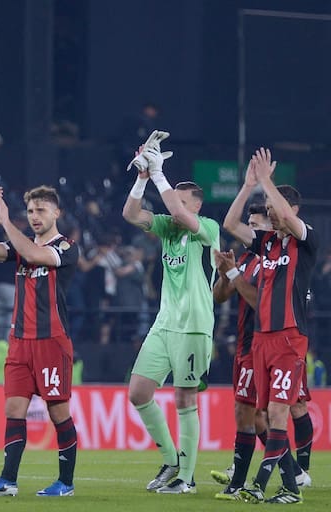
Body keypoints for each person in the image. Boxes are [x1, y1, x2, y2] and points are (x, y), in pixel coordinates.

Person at [122, 131, 219, 494]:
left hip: (193, 325)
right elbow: (130, 213)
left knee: (184, 398)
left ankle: (187, 478)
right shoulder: (166, 230)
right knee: (139, 392)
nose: (171, 205)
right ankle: (170, 460)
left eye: (179, 200)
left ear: (195, 205)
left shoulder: (206, 229)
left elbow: (176, 210)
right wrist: (143, 177)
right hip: (164, 325)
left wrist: (160, 172)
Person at [222, 148, 318, 504]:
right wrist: (248, 186)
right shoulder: (266, 245)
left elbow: (289, 221)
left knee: (280, 410)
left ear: (291, 210)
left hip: (290, 338)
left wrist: (266, 181)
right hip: (261, 339)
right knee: (264, 413)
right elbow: (231, 225)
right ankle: (291, 487)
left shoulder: (306, 242)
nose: (269, 215)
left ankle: (261, 483)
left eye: (274, 208)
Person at [0, 184, 80, 497]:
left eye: (41, 210)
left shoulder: (66, 247)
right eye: (31, 211)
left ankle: (66, 482)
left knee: (58, 412)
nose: (34, 216)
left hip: (51, 341)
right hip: (20, 340)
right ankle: (8, 479)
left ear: (56, 213)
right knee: (14, 409)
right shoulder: (19, 246)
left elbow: (35, 254)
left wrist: (8, 222)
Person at [210, 202, 310, 499]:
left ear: (270, 228)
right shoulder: (246, 260)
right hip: (247, 345)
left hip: (273, 344)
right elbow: (219, 297)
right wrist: (224, 272)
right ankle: (287, 474)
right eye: (249, 224)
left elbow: (259, 303)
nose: (249, 230)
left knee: (269, 413)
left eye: (255, 225)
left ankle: (277, 477)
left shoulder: (276, 264)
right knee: (250, 413)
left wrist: (234, 277)